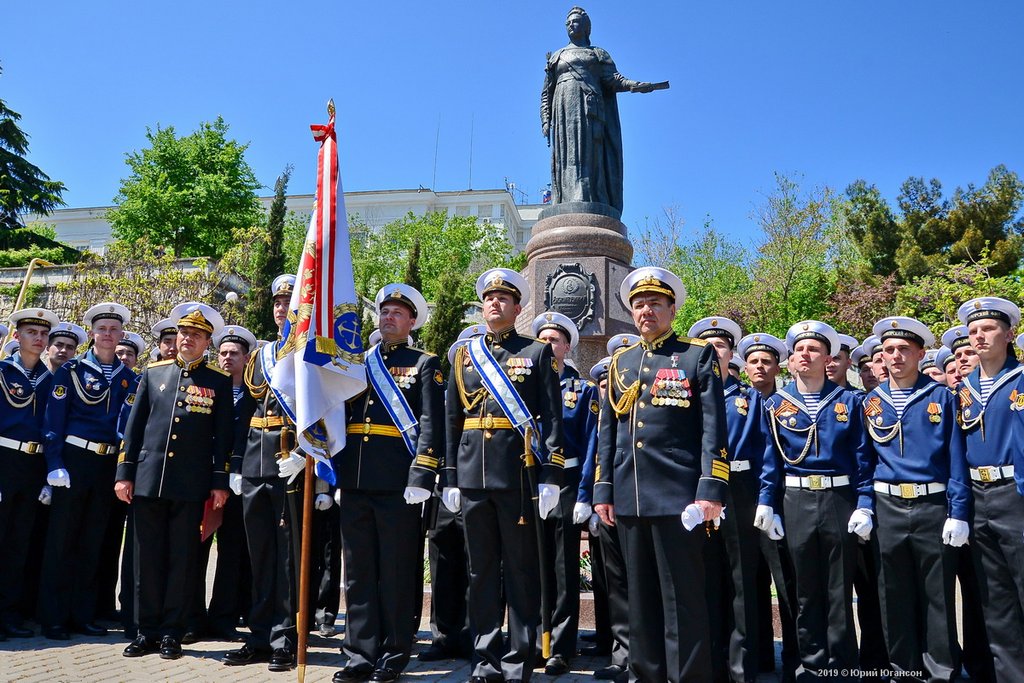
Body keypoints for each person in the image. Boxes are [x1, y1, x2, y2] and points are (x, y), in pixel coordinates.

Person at [594, 267, 729, 682]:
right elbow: (610, 431)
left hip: (679, 498)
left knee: (682, 601)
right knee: (640, 600)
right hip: (630, 496)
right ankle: (645, 674)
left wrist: (710, 490)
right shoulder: (621, 361)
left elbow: (713, 429)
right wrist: (604, 488)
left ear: (672, 308)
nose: (646, 310)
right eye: (638, 304)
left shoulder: (696, 355)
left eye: (655, 303)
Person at [442, 267, 564, 683]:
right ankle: (484, 660)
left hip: (517, 476)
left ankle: (518, 660)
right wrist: (450, 477)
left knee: (520, 570)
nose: (494, 304)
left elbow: (551, 416)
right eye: (489, 298)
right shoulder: (463, 354)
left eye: (503, 299)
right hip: (473, 475)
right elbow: (452, 420)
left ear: (517, 308)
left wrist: (550, 472)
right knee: (479, 572)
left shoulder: (536, 353)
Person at [331, 284, 443, 683]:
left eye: (398, 313)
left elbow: (432, 422)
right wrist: (336, 472)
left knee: (395, 570)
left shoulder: (426, 363)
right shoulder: (357, 363)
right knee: (358, 572)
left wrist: (422, 473)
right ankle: (359, 653)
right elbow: (339, 417)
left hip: (399, 483)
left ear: (412, 321)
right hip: (356, 480)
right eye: (385, 311)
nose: (389, 317)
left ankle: (394, 653)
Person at [756, 320, 872, 682]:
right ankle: (811, 662)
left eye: (814, 350)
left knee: (839, 587)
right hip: (795, 498)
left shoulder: (849, 403)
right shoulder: (775, 404)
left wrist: (865, 502)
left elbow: (862, 458)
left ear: (829, 358)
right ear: (790, 361)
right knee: (803, 587)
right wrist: (767, 503)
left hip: (839, 497)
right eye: (800, 351)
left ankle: (842, 663)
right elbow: (769, 460)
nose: (806, 356)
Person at [115, 302, 232, 660]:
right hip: (149, 481)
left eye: (196, 336)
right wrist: (125, 473)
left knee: (181, 561)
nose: (187, 340)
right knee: (145, 559)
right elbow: (133, 431)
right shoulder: (153, 373)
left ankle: (171, 632)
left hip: (190, 484)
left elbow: (222, 437)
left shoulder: (218, 381)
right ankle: (145, 630)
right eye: (183, 333)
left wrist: (218, 482)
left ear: (207, 342)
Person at [865, 316, 968, 680]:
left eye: (904, 350)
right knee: (892, 593)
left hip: (932, 505)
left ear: (921, 354)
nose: (895, 356)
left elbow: (956, 458)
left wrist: (958, 511)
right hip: (887, 506)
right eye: (889, 350)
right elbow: (865, 460)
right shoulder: (870, 402)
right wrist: (865, 507)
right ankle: (902, 669)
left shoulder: (942, 397)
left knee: (937, 595)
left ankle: (940, 670)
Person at [223, 274, 304, 672]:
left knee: (287, 559)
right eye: (276, 302)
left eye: (288, 301)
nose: (280, 308)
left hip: (291, 461)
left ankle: (285, 638)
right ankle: (257, 636)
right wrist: (237, 463)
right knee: (259, 555)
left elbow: (322, 410)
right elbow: (245, 416)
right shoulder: (261, 355)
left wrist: (307, 453)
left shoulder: (309, 351)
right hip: (256, 461)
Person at [40, 302, 134, 640]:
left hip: (107, 464)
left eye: (114, 329)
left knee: (93, 541)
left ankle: (84, 614)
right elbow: (54, 419)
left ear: (121, 334)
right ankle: (53, 617)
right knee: (62, 541)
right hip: (74, 460)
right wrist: (55, 463)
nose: (108, 335)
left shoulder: (130, 378)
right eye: (102, 329)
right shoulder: (71, 371)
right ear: (92, 334)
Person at [687, 316, 763, 683]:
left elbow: (765, 454)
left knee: (741, 581)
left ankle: (740, 667)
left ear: (731, 353)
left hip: (739, 490)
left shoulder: (748, 398)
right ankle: (711, 663)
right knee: (704, 578)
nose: (713, 352)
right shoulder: (685, 397)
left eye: (719, 346)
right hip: (697, 494)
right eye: (706, 346)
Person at [956, 297, 1024, 681]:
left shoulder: (1021, 380)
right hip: (979, 499)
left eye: (988, 329)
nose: (979, 336)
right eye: (974, 331)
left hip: (1016, 496)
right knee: (994, 601)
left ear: (1009, 334)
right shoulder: (962, 389)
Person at [530, 311, 599, 676]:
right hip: (527, 485)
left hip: (567, 484)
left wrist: (585, 493)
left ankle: (560, 646)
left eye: (554, 339)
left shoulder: (582, 390)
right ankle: (532, 641)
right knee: (529, 567)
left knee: (561, 568)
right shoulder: (522, 388)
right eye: (541, 339)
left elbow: (592, 446)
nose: (547, 344)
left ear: (567, 346)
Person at [540, 6, 659, 213]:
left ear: (586, 27)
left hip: (589, 109)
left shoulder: (597, 53)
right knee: (566, 155)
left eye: (575, 21)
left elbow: (613, 79)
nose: (570, 25)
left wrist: (634, 85)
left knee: (589, 155)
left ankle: (589, 197)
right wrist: (545, 119)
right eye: (568, 23)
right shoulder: (556, 56)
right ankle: (566, 199)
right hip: (563, 110)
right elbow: (546, 93)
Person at [182, 325, 258, 644]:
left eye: (234, 354)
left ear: (246, 358)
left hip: (239, 482)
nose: (227, 358)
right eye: (223, 352)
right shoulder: (208, 385)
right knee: (195, 550)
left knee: (232, 552)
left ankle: (224, 617)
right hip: (204, 479)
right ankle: (191, 616)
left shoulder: (256, 395)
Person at [419, 324, 487, 664]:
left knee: (482, 564)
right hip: (443, 487)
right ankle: (444, 635)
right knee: (443, 561)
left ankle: (478, 635)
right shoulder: (444, 389)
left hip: (478, 484)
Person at [737, 332, 798, 683]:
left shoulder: (787, 402)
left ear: (778, 366)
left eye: (767, 361)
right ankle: (758, 657)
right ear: (745, 368)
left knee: (785, 582)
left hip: (782, 502)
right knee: (748, 581)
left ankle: (793, 659)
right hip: (744, 498)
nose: (760, 367)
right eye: (754, 361)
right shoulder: (738, 400)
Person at [0, 308, 58, 639]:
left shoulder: (51, 380)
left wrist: (48, 474)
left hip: (33, 466)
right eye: (31, 332)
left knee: (19, 544)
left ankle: (9, 614)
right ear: (16, 337)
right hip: (4, 460)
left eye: (42, 334)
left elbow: (52, 429)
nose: (38, 338)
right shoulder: (3, 372)